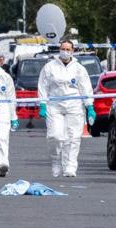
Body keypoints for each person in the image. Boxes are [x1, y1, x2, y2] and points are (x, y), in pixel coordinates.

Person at [38, 40, 96, 177]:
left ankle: (70, 166)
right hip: (54, 104)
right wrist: (42, 104)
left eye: (68, 49)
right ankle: (56, 161)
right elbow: (43, 86)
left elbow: (85, 88)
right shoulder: (49, 67)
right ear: (59, 49)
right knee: (55, 136)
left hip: (74, 104)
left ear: (73, 51)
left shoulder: (79, 68)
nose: (65, 51)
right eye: (63, 48)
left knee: (73, 137)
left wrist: (90, 107)